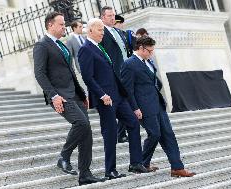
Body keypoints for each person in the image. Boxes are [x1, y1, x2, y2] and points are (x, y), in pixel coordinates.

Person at [33, 12, 105, 186]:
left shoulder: (62, 45)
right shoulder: (42, 45)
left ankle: (85, 174)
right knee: (81, 124)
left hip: (75, 94)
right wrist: (53, 95)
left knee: (86, 132)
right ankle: (64, 156)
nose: (63, 27)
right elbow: (39, 73)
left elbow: (70, 72)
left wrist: (82, 93)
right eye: (60, 24)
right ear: (50, 25)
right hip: (60, 95)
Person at [78, 18, 148, 180]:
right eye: (100, 30)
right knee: (110, 134)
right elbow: (88, 77)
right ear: (90, 31)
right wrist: (102, 94)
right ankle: (110, 170)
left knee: (133, 123)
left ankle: (136, 163)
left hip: (118, 96)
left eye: (103, 30)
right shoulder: (85, 49)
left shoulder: (100, 47)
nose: (103, 33)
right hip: (106, 99)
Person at [121, 36, 196, 177]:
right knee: (155, 134)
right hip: (144, 107)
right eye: (150, 51)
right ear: (141, 48)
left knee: (169, 134)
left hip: (157, 104)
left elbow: (153, 80)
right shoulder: (129, 64)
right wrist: (135, 108)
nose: (152, 53)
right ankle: (140, 162)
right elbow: (127, 90)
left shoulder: (148, 61)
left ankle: (177, 167)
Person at [100, 6, 130, 143]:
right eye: (109, 16)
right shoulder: (102, 34)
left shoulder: (119, 32)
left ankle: (123, 131)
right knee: (120, 104)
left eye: (113, 15)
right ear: (102, 18)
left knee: (128, 103)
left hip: (127, 72)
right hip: (115, 75)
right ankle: (120, 133)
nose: (113, 18)